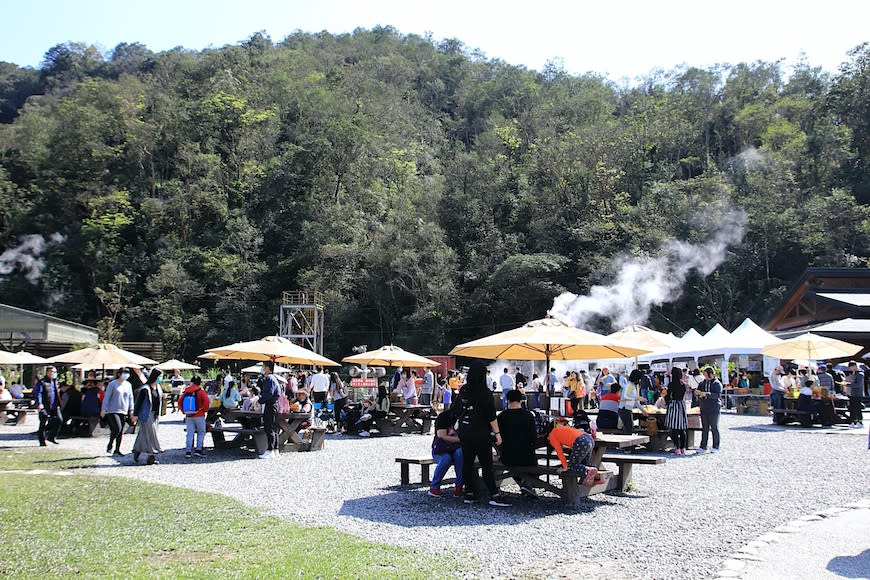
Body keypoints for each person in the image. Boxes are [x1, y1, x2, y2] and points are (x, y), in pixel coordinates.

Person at [456, 360, 509, 507]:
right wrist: (497, 433)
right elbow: (491, 416)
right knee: (487, 464)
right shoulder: (485, 392)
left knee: (467, 462)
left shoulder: (464, 390)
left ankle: (469, 493)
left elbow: (457, 409)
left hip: (465, 431)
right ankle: (494, 494)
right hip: (481, 432)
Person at [497, 389, 539, 498]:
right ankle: (527, 483)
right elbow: (534, 438)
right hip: (527, 457)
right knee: (533, 462)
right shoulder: (528, 415)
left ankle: (524, 483)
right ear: (521, 400)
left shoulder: (502, 416)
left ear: (507, 400)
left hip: (507, 457)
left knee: (511, 464)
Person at [548, 422, 601, 487]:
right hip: (589, 439)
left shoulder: (552, 436)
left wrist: (565, 467)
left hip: (581, 442)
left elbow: (560, 453)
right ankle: (596, 476)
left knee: (572, 465)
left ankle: (587, 470)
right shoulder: (562, 428)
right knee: (584, 463)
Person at [428, 405, 464, 498]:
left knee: (460, 454)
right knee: (446, 458)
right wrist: (461, 439)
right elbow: (441, 436)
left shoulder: (466, 417)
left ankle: (459, 486)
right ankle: (434, 486)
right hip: (441, 448)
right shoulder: (443, 417)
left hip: (457, 448)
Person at [132, 368, 164, 464]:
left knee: (144, 434)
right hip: (146, 414)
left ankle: (137, 449)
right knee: (151, 434)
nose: (161, 379)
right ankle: (152, 455)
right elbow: (139, 402)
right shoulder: (145, 389)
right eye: (160, 376)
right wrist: (135, 415)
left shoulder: (158, 387)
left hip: (155, 413)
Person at [101, 368, 134, 456]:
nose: (126, 375)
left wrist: (131, 410)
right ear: (119, 374)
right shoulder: (113, 384)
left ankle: (117, 449)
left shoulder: (128, 385)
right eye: (124, 373)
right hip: (113, 410)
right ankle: (110, 443)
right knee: (117, 428)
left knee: (121, 431)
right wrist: (103, 409)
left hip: (124, 410)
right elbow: (107, 397)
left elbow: (131, 398)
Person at [180, 375, 210, 458]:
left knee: (190, 433)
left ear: (191, 382)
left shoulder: (186, 391)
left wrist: (184, 411)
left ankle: (188, 451)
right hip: (199, 415)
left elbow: (180, 402)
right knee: (201, 432)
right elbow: (206, 402)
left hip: (189, 415)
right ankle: (198, 450)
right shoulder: (201, 391)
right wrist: (204, 410)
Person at [694, 367, 722, 453]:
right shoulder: (702, 383)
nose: (705, 377)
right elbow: (698, 392)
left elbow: (717, 395)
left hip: (714, 408)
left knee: (714, 427)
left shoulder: (717, 384)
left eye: (706, 375)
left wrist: (707, 394)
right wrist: (698, 393)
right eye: (704, 375)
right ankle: (703, 446)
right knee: (704, 428)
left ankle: (716, 446)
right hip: (704, 407)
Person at [258, 362, 282, 458]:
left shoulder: (269, 378)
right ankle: (275, 449)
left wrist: (260, 401)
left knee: (269, 427)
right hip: (275, 404)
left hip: (270, 404)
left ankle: (270, 450)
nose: (262, 369)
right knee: (274, 427)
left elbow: (268, 393)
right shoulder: (274, 378)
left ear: (267, 368)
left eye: (263, 367)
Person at [34, 366, 61, 446]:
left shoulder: (55, 381)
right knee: (43, 422)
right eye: (52, 372)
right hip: (45, 405)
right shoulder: (42, 382)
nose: (54, 373)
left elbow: (56, 393)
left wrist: (58, 403)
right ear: (48, 372)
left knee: (59, 420)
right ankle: (42, 441)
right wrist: (39, 403)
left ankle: (51, 437)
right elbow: (38, 393)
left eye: (55, 372)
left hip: (54, 405)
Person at [665, 367, 688, 455]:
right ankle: (683, 448)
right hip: (681, 405)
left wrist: (666, 400)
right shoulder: (683, 385)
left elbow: (668, 396)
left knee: (674, 428)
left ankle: (677, 447)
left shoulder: (671, 384)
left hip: (673, 405)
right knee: (682, 428)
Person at [618, 370, 643, 435]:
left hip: (626, 409)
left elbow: (635, 401)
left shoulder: (631, 385)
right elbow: (625, 396)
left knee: (629, 428)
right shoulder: (629, 386)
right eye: (639, 379)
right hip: (624, 409)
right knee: (628, 429)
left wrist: (642, 409)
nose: (639, 381)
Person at [846, 361, 865, 427]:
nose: (850, 369)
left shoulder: (860, 374)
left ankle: (860, 421)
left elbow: (858, 384)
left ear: (854, 366)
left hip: (857, 394)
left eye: (851, 367)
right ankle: (853, 421)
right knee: (852, 408)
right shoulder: (854, 374)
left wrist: (848, 384)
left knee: (857, 408)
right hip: (853, 393)